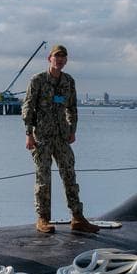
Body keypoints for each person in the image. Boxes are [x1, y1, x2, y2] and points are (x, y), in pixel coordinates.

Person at [22, 44, 100, 234]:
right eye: (57, 57)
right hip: (42, 137)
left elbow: (71, 108)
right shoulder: (38, 80)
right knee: (43, 178)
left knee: (69, 175)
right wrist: (28, 134)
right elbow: (28, 107)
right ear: (50, 58)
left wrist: (72, 130)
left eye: (63, 57)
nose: (60, 60)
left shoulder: (68, 81)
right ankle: (43, 218)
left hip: (62, 137)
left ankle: (77, 217)